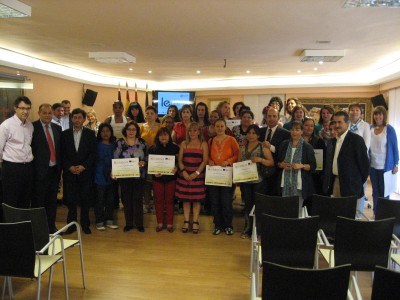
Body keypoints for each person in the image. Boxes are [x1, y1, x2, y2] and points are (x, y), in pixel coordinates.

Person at [62, 108, 96, 234]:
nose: (77, 120)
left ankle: (85, 225)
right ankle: (71, 226)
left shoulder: (90, 134)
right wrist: (69, 166)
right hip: (69, 172)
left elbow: (93, 153)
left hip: (85, 172)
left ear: (84, 119)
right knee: (70, 201)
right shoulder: (64, 134)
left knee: (85, 200)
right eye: (75, 117)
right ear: (72, 119)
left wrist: (84, 166)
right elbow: (62, 153)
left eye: (79, 117)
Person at [31, 103, 62, 233]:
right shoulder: (32, 127)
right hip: (39, 173)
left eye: (50, 113)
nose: (47, 115)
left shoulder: (57, 128)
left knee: (52, 201)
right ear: (39, 113)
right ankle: (39, 228)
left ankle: (51, 226)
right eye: (44, 113)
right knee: (39, 202)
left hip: (54, 171)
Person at [239, 124, 274, 239]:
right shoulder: (243, 146)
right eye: (249, 133)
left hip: (259, 181)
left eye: (254, 133)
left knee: (258, 206)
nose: (251, 135)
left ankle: (258, 230)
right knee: (247, 205)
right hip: (245, 181)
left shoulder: (262, 147)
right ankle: (247, 228)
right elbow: (239, 162)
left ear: (258, 135)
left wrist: (260, 159)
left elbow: (271, 162)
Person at [114, 121, 148, 232]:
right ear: (125, 130)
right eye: (129, 129)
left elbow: (147, 156)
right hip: (124, 176)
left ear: (137, 131)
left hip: (139, 176)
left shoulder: (142, 143)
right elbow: (115, 158)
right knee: (126, 200)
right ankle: (129, 223)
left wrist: (144, 162)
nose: (131, 131)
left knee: (138, 199)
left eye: (134, 129)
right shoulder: (119, 143)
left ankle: (139, 224)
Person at [0, 96, 34, 208]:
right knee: (11, 201)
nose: (25, 111)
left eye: (28, 108)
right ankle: (11, 226)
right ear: (15, 108)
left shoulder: (30, 125)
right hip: (11, 168)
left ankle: (23, 225)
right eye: (22, 108)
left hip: (28, 168)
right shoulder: (6, 125)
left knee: (25, 199)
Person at [208, 118, 240, 235]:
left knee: (226, 201)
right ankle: (217, 225)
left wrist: (229, 161)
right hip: (214, 175)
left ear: (226, 127)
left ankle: (228, 225)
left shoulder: (231, 140)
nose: (220, 128)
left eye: (222, 126)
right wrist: (209, 160)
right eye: (217, 126)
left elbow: (237, 154)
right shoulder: (210, 141)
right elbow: (207, 156)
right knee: (215, 201)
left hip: (227, 174)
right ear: (214, 128)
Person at [175, 122, 208, 233]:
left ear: (199, 132)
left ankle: (195, 221)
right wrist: (183, 171)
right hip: (185, 175)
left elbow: (205, 160)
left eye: (195, 130)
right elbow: (179, 160)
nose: (192, 132)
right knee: (186, 200)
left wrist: (196, 173)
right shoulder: (184, 143)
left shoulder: (203, 143)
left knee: (196, 200)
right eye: (190, 130)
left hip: (198, 176)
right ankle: (186, 220)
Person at [329, 111, 370, 199]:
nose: (336, 125)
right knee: (336, 211)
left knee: (349, 212)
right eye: (334, 122)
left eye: (340, 122)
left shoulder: (356, 140)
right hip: (335, 182)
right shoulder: (333, 141)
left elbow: (365, 166)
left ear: (347, 123)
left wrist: (356, 181)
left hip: (351, 185)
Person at [277, 121, 316, 212]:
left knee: (296, 211)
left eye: (297, 130)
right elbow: (278, 162)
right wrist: (281, 164)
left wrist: (301, 166)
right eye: (292, 130)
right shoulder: (284, 144)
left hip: (299, 184)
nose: (294, 132)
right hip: (285, 182)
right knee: (285, 209)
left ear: (302, 131)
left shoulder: (307, 147)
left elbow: (313, 166)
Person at [149, 127, 180, 232]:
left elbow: (179, 162)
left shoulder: (175, 148)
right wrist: (153, 172)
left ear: (169, 136)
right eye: (161, 135)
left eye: (165, 134)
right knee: (158, 201)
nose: (163, 137)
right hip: (157, 179)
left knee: (170, 201)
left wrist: (177, 168)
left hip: (171, 179)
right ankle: (160, 223)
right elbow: (150, 164)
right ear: (158, 137)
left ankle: (170, 224)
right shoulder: (152, 148)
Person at [369, 106, 399, 215]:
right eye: (376, 114)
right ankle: (376, 213)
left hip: (385, 167)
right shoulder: (370, 128)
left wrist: (396, 163)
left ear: (384, 115)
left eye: (380, 114)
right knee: (375, 191)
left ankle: (385, 214)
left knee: (384, 192)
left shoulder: (389, 129)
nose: (378, 116)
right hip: (373, 166)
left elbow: (395, 147)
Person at [259, 108, 290, 196]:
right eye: (269, 116)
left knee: (274, 197)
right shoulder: (260, 131)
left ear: (278, 118)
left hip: (276, 171)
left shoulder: (286, 134)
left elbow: (284, 152)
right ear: (265, 117)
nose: (271, 118)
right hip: (260, 171)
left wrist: (271, 147)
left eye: (274, 116)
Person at [94, 123, 119, 231]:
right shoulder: (96, 145)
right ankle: (99, 221)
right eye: (103, 131)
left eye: (107, 131)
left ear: (111, 132)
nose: (105, 133)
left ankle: (109, 219)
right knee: (99, 200)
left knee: (110, 199)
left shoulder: (115, 145)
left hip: (112, 176)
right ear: (99, 133)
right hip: (99, 176)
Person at [348, 102, 371, 212]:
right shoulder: (346, 124)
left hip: (360, 161)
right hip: (348, 160)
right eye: (352, 110)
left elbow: (367, 144)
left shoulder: (365, 125)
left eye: (357, 110)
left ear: (361, 112)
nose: (354, 112)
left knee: (360, 189)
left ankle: (358, 214)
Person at [302, 117, 327, 205]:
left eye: (311, 126)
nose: (309, 128)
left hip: (314, 177)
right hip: (299, 175)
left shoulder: (319, 141)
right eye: (306, 125)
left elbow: (323, 161)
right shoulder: (296, 141)